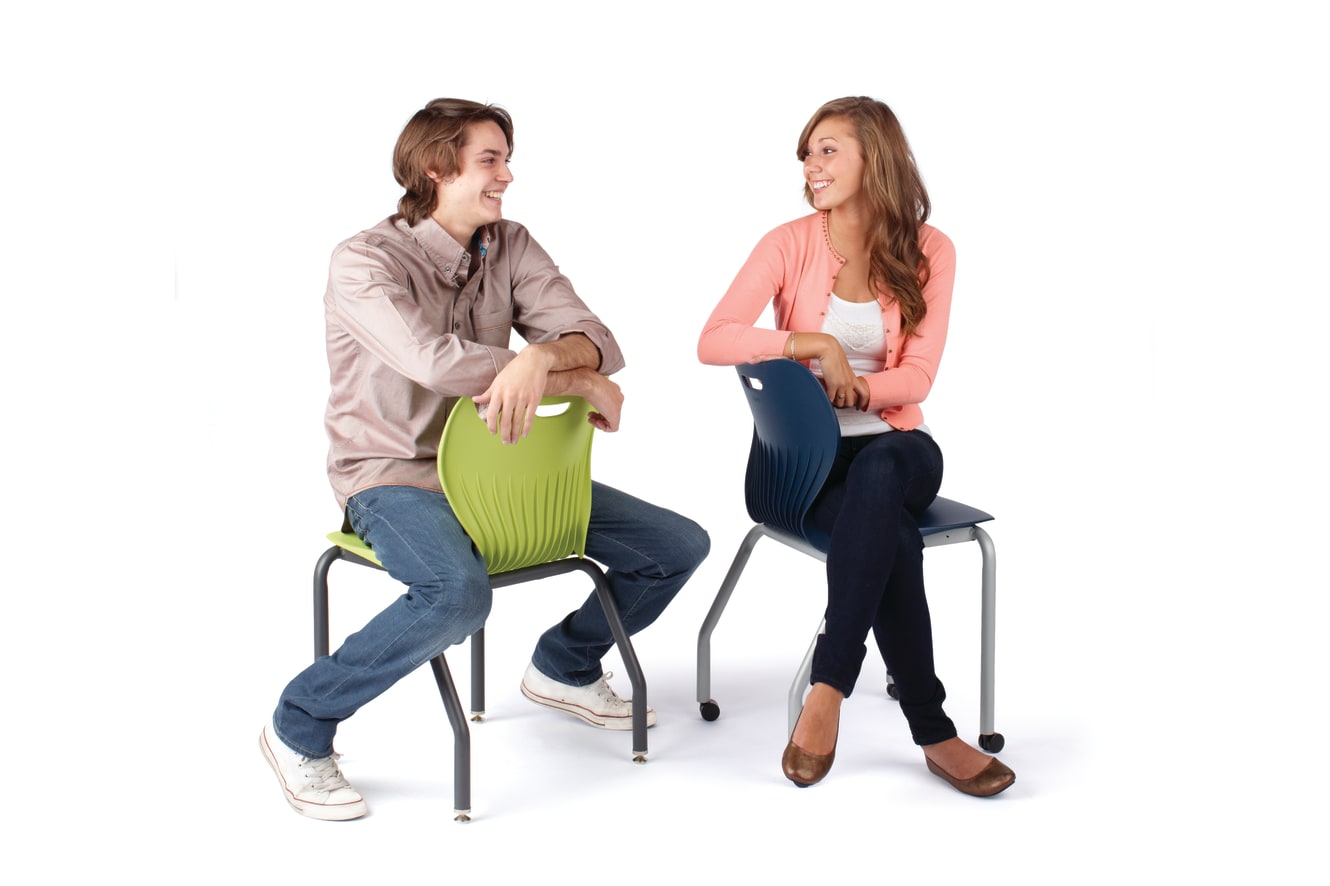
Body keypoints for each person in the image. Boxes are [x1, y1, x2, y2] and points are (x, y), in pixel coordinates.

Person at [261, 98, 710, 820]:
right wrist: (574, 381)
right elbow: (434, 363)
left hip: (501, 474)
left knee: (675, 546)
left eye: (506, 158)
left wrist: (543, 359)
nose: (507, 175)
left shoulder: (510, 244)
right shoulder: (363, 262)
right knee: (458, 594)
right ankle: (299, 723)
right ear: (436, 169)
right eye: (490, 160)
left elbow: (596, 337)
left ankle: (564, 664)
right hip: (394, 478)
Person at [697, 96, 1014, 797]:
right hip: (806, 466)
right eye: (806, 153)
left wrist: (862, 390)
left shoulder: (931, 250)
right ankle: (935, 732)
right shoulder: (787, 243)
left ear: (877, 155)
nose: (811, 165)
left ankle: (828, 684)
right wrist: (814, 344)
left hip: (900, 449)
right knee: (889, 535)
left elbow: (918, 377)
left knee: (883, 470)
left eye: (828, 149)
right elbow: (713, 339)